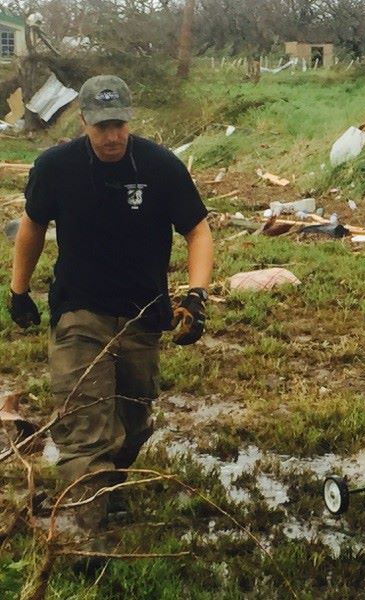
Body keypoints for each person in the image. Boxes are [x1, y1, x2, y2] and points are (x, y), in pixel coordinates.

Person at [8, 75, 213, 546]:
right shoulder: (56, 167)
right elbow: (32, 226)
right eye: (102, 126)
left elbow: (197, 230)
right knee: (86, 426)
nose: (112, 136)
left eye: (119, 124)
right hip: (79, 311)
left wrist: (197, 295)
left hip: (143, 314)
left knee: (133, 420)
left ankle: (109, 485)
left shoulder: (159, 166)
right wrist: (19, 291)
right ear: (83, 120)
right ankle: (87, 534)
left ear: (130, 119)